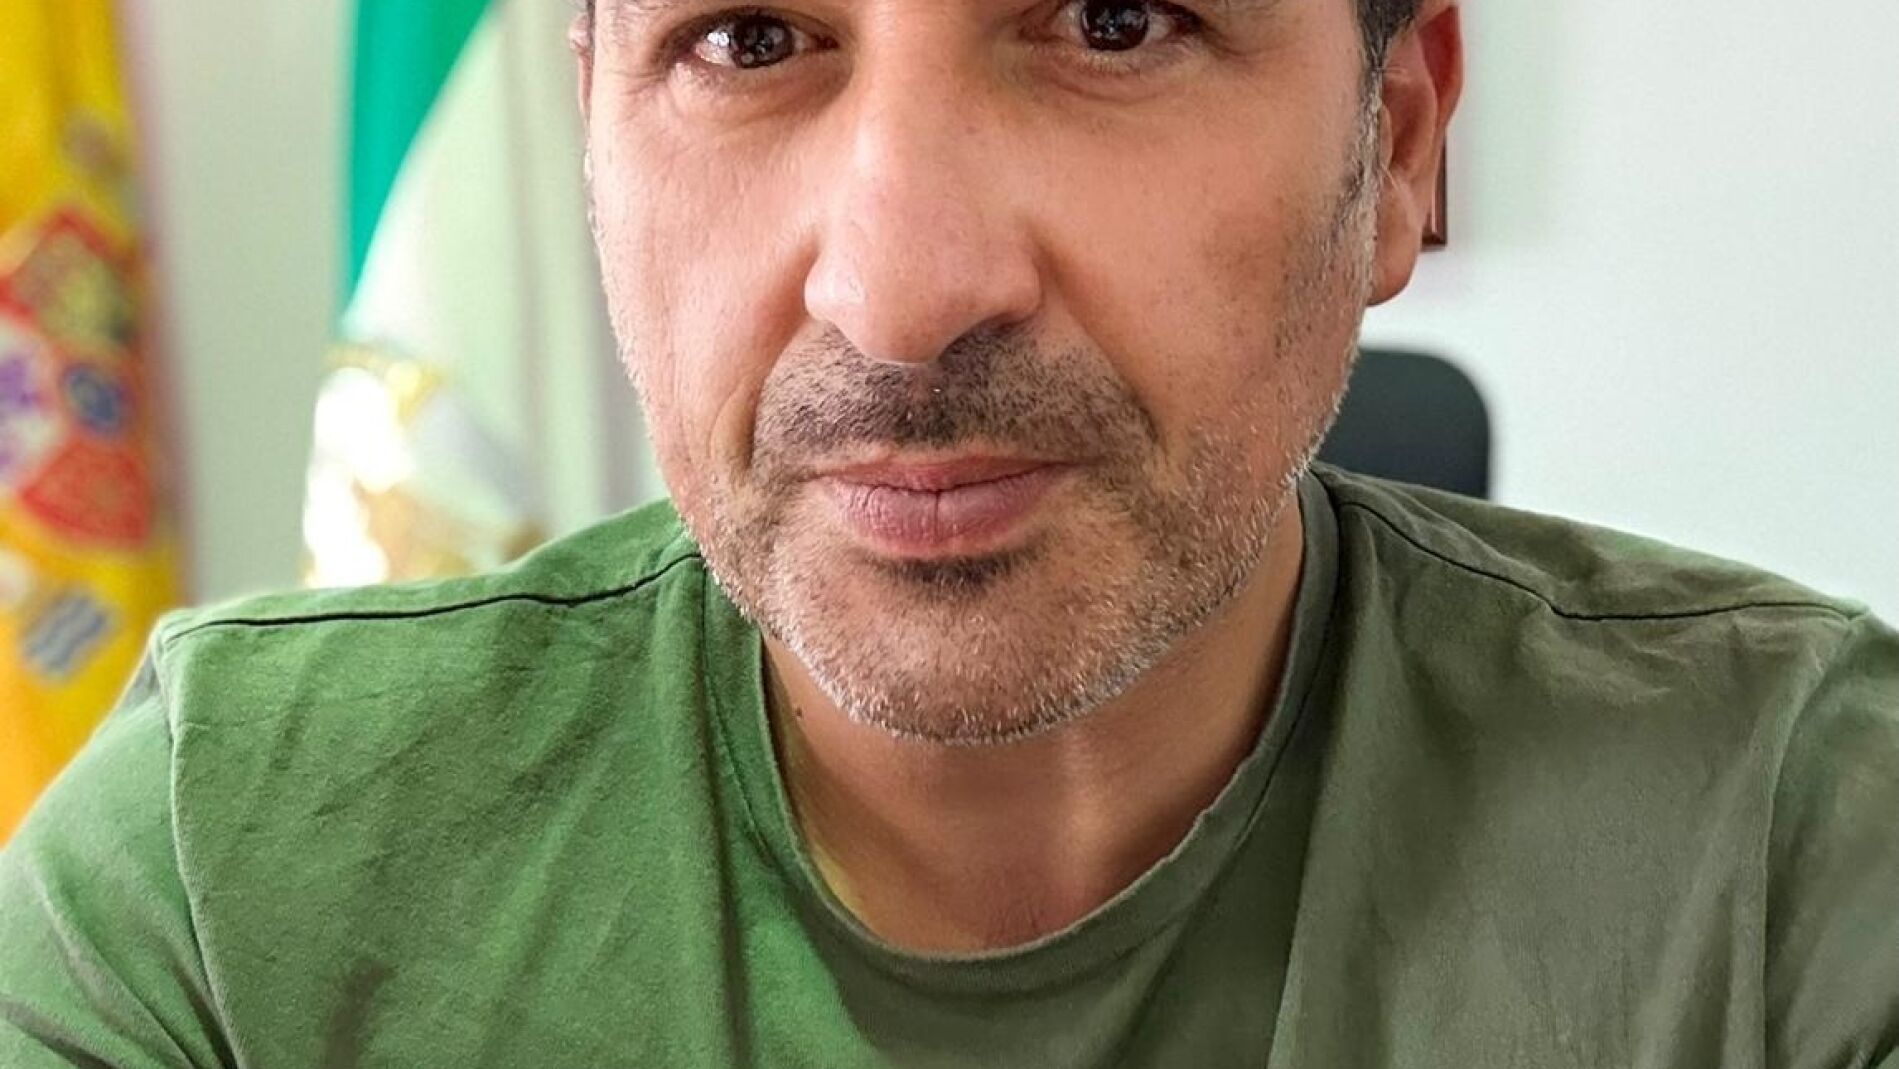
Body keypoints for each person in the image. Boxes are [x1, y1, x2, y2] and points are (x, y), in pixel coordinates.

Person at [3, 0, 1895, 1063]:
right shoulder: (226, 881)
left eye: (1112, 19)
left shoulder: (1792, 861)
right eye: (749, 37)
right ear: (591, 146)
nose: (899, 292)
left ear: (1396, 141)